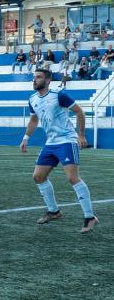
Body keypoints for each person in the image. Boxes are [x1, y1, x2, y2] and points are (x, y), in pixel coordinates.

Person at [20, 68, 97, 232]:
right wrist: (25, 138)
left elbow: (79, 112)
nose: (34, 80)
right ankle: (54, 211)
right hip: (51, 143)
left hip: (67, 141)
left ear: (47, 80)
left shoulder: (59, 94)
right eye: (34, 77)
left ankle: (90, 217)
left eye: (38, 77)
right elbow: (34, 119)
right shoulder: (32, 99)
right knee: (38, 176)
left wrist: (81, 136)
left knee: (72, 178)